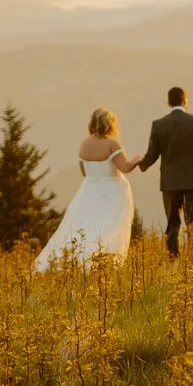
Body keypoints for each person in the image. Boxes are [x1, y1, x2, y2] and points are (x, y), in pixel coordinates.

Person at [31, 107, 137, 271]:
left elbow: (84, 172)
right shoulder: (112, 143)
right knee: (107, 226)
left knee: (84, 226)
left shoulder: (84, 144)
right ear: (110, 124)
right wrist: (137, 159)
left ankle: (72, 259)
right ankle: (100, 262)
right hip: (112, 192)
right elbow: (125, 167)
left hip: (88, 191)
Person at [138, 85, 193, 257]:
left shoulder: (158, 125)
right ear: (185, 101)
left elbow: (152, 155)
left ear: (168, 102)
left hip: (170, 182)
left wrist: (138, 164)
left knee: (172, 224)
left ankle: (173, 260)